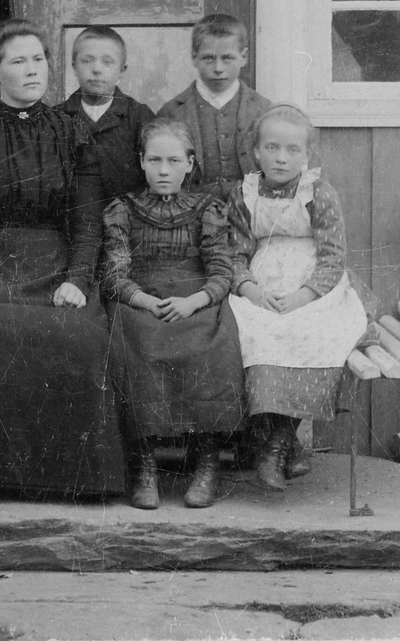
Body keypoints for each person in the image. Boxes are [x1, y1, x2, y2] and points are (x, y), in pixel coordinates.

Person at [0, 19, 126, 497]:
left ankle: (75, 479)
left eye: (38, 59)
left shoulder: (72, 130)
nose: (32, 70)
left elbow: (87, 222)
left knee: (82, 335)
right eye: (18, 61)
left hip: (55, 267)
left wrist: (79, 280)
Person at [102, 119, 245, 510]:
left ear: (189, 164)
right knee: (133, 337)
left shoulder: (208, 209)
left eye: (173, 160)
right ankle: (144, 461)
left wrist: (195, 301)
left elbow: (221, 270)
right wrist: (145, 301)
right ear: (142, 163)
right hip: (141, 299)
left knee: (211, 340)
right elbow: (114, 273)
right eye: (154, 160)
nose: (163, 170)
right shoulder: (123, 209)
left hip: (194, 298)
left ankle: (206, 459)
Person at [226, 104, 368, 492]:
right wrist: (249, 289)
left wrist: (305, 295)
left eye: (292, 150)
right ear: (256, 152)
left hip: (312, 284)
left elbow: (333, 256)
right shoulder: (245, 192)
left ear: (306, 156)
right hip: (262, 279)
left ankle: (276, 446)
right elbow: (235, 252)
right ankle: (280, 443)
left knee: (310, 333)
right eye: (271, 148)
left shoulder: (317, 192)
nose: (281, 158)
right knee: (250, 332)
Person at [158, 14, 272, 202]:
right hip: (189, 216)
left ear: (243, 57)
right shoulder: (171, 113)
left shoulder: (264, 111)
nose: (218, 68)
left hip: (250, 215)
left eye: (227, 58)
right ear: (194, 58)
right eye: (208, 58)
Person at [59, 26, 155, 203]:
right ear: (74, 67)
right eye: (87, 60)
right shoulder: (57, 118)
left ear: (122, 70)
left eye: (107, 62)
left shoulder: (139, 116)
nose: (96, 69)